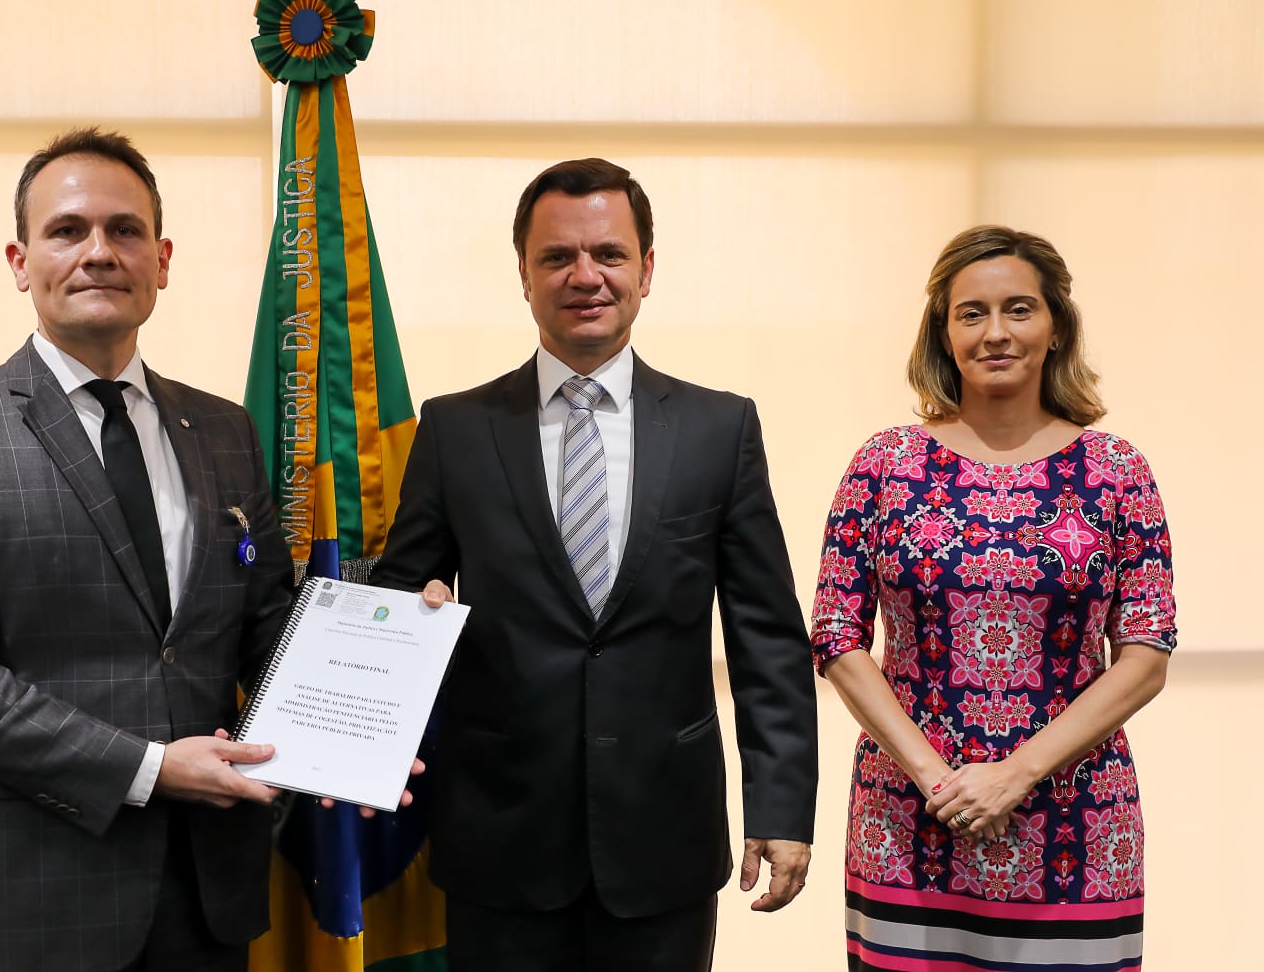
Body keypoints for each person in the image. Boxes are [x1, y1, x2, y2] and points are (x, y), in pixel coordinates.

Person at [0, 127, 299, 972]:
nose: (99, 252)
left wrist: (355, 736)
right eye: (68, 231)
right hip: (32, 901)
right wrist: (149, 768)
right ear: (20, 260)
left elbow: (268, 628)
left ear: (162, 260)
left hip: (210, 901)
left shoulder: (224, 430)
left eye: (125, 230)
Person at [371, 158, 819, 971]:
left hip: (664, 839)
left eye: (609, 254)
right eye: (557, 257)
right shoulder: (456, 429)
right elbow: (403, 599)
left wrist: (781, 806)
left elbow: (768, 641)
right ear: (523, 273)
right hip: (499, 840)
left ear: (647, 270)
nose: (586, 276)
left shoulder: (721, 430)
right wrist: (413, 616)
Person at [810, 225, 1176, 970]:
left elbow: (1146, 651)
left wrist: (1017, 773)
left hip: (1076, 827)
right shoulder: (883, 464)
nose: (996, 332)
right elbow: (836, 635)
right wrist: (935, 778)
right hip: (906, 822)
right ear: (942, 335)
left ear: (1055, 327)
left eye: (1019, 309)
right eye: (970, 313)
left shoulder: (1117, 471)